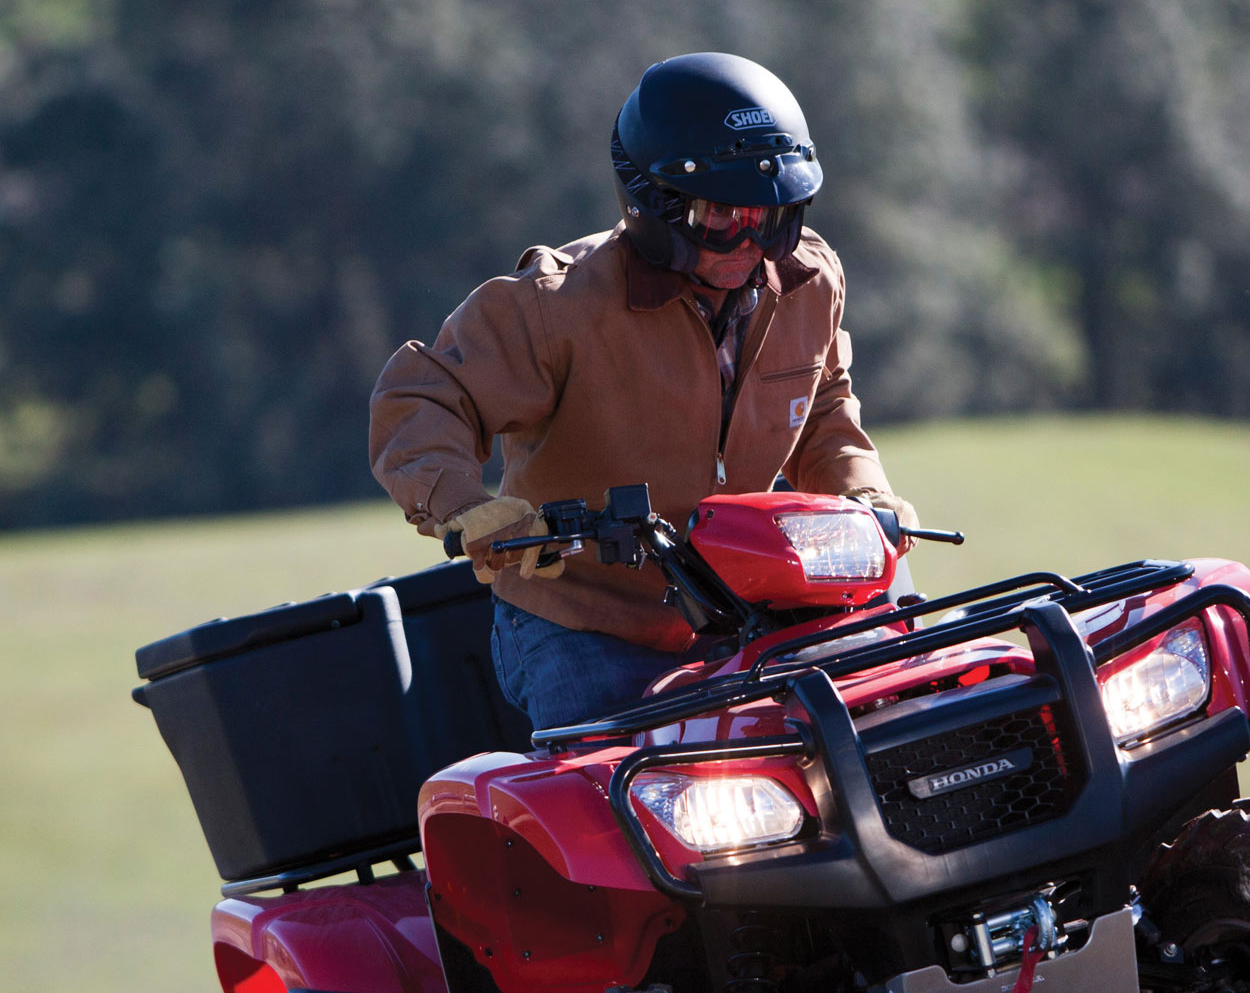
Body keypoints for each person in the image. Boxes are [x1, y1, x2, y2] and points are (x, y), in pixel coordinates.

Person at [370, 52, 919, 730]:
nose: (751, 241)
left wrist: (863, 492)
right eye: (723, 215)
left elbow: (825, 403)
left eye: (771, 215)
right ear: (652, 203)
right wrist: (465, 508)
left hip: (758, 591)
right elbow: (422, 398)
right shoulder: (555, 306)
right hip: (589, 622)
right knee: (623, 798)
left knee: (892, 720)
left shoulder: (809, 281)